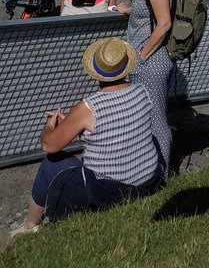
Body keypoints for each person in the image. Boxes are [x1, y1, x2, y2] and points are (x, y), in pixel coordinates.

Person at [12, 37, 163, 233]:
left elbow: (49, 145)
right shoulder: (142, 91)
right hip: (148, 180)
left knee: (51, 164)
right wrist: (73, 123)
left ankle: (30, 225)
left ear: (97, 71)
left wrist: (49, 127)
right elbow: (117, 123)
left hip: (110, 190)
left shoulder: (90, 106)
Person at [115, 0, 175, 174]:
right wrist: (130, 9)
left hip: (150, 61)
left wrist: (141, 56)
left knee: (156, 120)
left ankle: (163, 171)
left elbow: (164, 24)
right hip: (154, 60)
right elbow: (151, 9)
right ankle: (154, 169)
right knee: (152, 117)